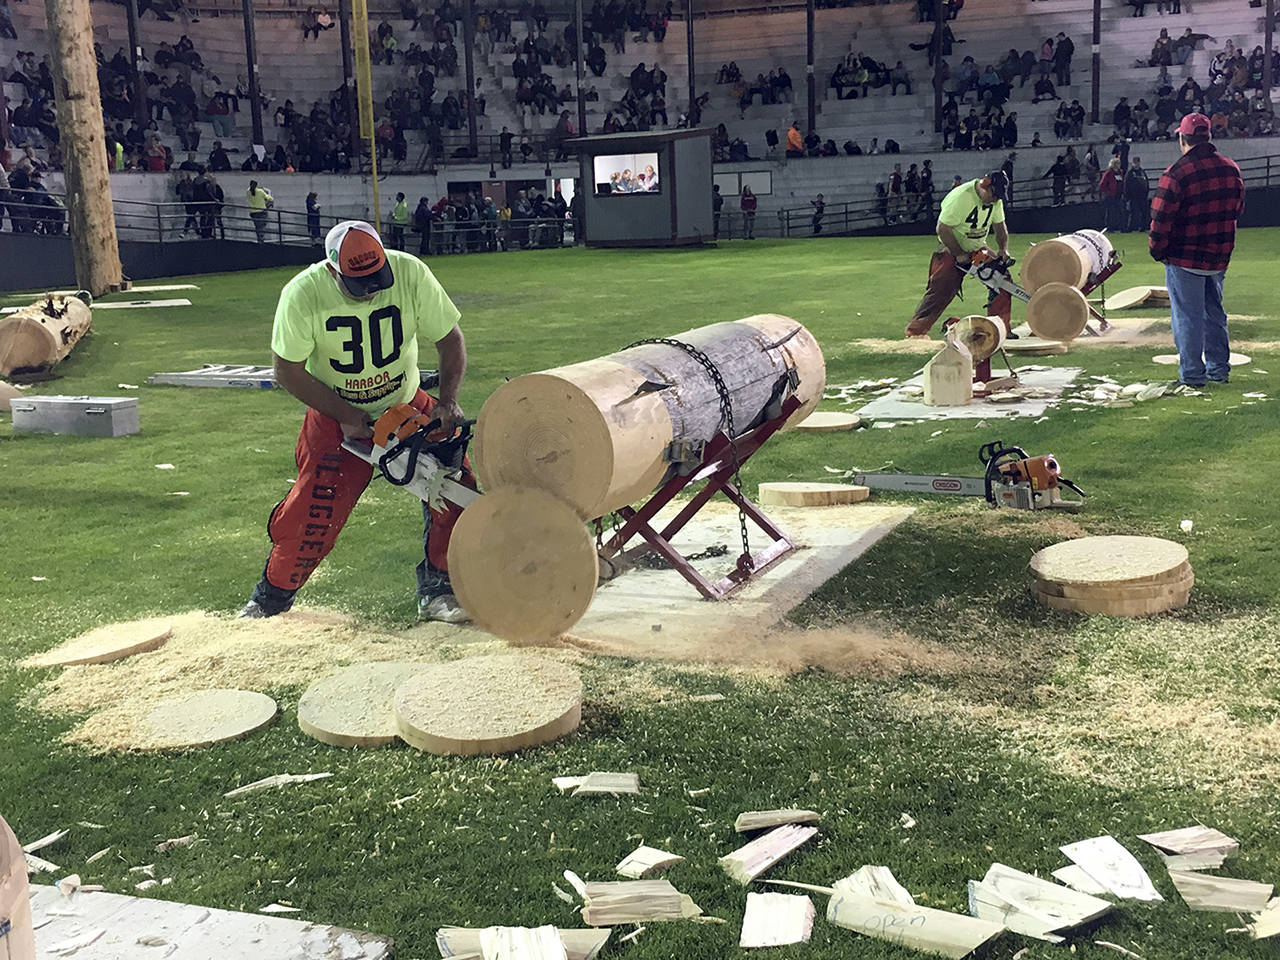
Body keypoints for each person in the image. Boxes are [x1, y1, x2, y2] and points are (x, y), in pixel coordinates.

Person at [237, 221, 473, 623]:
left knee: (455, 488)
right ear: (333, 270)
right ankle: (270, 600)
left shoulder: (410, 272)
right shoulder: (302, 293)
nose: (372, 290)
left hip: (405, 401)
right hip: (335, 411)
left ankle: (440, 589)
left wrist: (447, 401)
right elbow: (287, 370)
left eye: (377, 278)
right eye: (359, 284)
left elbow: (450, 339)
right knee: (314, 512)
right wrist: (346, 416)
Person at [1148, 113, 1245, 388]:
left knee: (1187, 317)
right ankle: (1219, 370)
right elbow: (1238, 209)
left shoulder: (1176, 173)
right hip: (1218, 256)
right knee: (1214, 314)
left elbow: (1160, 219)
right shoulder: (1231, 169)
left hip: (1185, 258)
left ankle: (1192, 375)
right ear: (1208, 136)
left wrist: (1157, 250)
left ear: (1183, 138)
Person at [905, 170, 1012, 338]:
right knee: (942, 286)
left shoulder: (995, 201)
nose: (994, 199)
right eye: (993, 195)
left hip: (977, 247)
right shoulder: (961, 197)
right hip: (952, 246)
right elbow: (943, 229)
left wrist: (1003, 249)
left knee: (1002, 279)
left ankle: (1000, 329)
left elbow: (1000, 227)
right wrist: (959, 253)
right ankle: (915, 331)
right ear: (985, 184)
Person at [1123, 157, 1149, 232]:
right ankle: (1130, 227)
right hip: (1133, 196)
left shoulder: (1142, 172)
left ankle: (1143, 227)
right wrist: (1127, 196)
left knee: (1143, 212)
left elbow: (1146, 183)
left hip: (1142, 196)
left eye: (1137, 162)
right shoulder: (1130, 173)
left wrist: (1146, 192)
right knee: (1133, 212)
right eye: (1135, 162)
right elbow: (1126, 185)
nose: (1136, 164)